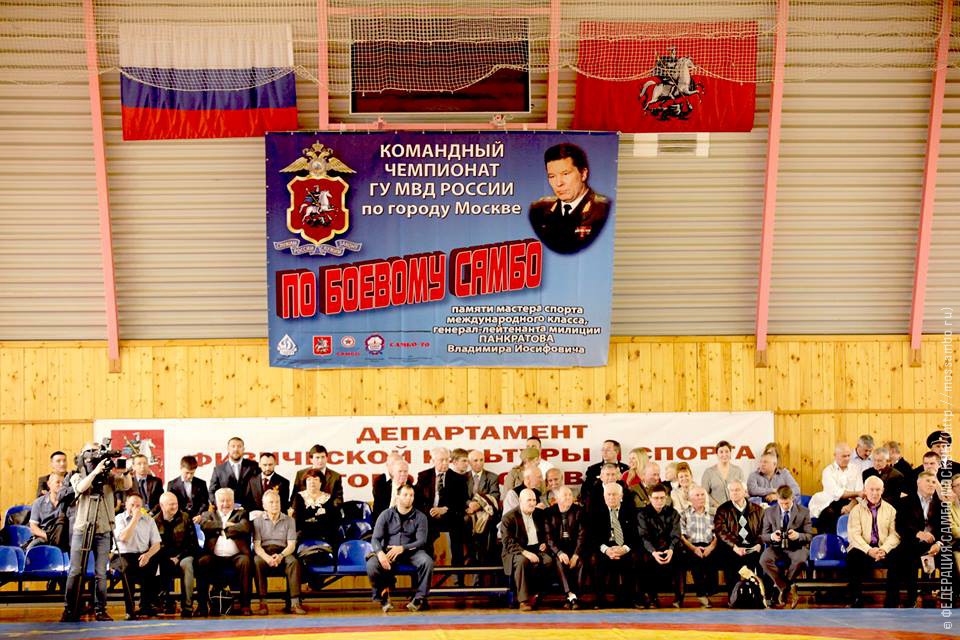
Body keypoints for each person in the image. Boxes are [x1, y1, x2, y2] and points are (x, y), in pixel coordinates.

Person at [61, 442, 133, 623]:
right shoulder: (77, 475)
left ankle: (101, 609)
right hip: (82, 529)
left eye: (97, 451)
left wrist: (125, 472)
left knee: (101, 572)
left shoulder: (109, 478)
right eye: (90, 451)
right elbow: (81, 488)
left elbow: (126, 486)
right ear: (83, 456)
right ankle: (70, 609)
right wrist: (94, 472)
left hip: (104, 530)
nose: (94, 454)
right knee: (75, 571)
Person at [528, 142, 611, 254]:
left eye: (565, 174)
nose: (559, 183)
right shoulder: (538, 211)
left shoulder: (601, 209)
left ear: (583, 174)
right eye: (552, 176)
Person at [366, 483, 433, 613]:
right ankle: (383, 596)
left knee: (427, 561)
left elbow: (421, 541)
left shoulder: (421, 517)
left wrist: (403, 548)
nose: (409, 498)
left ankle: (419, 598)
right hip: (389, 552)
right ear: (397, 497)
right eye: (405, 495)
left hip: (412, 553)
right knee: (372, 564)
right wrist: (380, 553)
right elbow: (375, 538)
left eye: (411, 495)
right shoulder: (385, 515)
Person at [892, 471, 947, 607]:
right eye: (927, 481)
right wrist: (918, 533)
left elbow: (945, 529)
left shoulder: (941, 504)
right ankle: (907, 599)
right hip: (912, 541)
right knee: (901, 556)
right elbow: (900, 526)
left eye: (933, 482)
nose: (931, 484)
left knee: (949, 556)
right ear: (918, 482)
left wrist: (938, 544)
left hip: (933, 544)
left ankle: (949, 598)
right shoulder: (905, 502)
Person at [196, 488, 253, 617]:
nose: (225, 504)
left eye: (228, 500)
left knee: (245, 561)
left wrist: (219, 529)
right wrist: (225, 525)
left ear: (233, 501)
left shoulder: (241, 513)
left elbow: (244, 527)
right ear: (216, 502)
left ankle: (245, 605)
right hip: (214, 556)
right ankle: (202, 606)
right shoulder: (207, 514)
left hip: (236, 557)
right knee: (202, 561)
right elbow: (205, 525)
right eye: (222, 501)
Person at [846, 476, 900, 608]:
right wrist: (869, 550)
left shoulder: (891, 510)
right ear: (865, 490)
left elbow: (895, 535)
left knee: (899, 557)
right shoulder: (856, 510)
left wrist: (884, 549)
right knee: (852, 557)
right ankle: (856, 599)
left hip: (883, 547)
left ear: (883, 490)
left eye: (878, 489)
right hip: (864, 548)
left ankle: (892, 601)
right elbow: (854, 536)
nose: (875, 493)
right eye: (871, 489)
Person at [758, 485, 812, 608]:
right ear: (777, 499)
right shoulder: (769, 512)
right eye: (781, 503)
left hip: (796, 547)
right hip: (776, 547)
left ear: (792, 498)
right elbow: (763, 536)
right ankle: (786, 587)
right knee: (764, 560)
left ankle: (782, 590)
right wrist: (772, 536)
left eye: (787, 503)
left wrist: (798, 535)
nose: (784, 506)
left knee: (800, 560)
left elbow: (809, 536)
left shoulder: (804, 511)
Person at [252, 491, 305, 615]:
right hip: (265, 552)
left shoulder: (290, 520)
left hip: (284, 551)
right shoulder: (257, 521)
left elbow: (291, 545)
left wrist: (280, 556)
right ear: (264, 506)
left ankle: (295, 603)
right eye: (271, 502)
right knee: (257, 561)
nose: (275, 505)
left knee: (293, 562)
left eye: (277, 502)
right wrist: (267, 558)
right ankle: (263, 603)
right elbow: (257, 546)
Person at [500, 488, 554, 611]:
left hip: (535, 548)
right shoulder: (509, 517)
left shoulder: (539, 514)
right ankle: (523, 600)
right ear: (520, 501)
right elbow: (508, 542)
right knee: (523, 561)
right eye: (529, 500)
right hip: (515, 551)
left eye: (534, 500)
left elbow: (546, 533)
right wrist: (525, 553)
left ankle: (537, 595)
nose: (532, 503)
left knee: (548, 561)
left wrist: (544, 543)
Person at [587, 482, 639, 608]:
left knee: (635, 559)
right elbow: (592, 536)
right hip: (605, 547)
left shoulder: (631, 511)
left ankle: (630, 598)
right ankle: (600, 599)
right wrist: (607, 550)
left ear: (621, 496)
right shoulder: (596, 512)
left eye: (614, 494)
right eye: (608, 495)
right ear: (604, 497)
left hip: (624, 546)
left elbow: (636, 535)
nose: (611, 497)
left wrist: (624, 549)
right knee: (596, 561)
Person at [416, 447, 468, 565]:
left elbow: (461, 502)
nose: (445, 463)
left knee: (458, 527)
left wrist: (445, 509)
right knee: (423, 530)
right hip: (429, 515)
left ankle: (458, 571)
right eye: (441, 460)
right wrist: (431, 511)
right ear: (433, 461)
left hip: (450, 515)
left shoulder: (458, 479)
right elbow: (418, 500)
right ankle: (427, 565)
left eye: (447, 460)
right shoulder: (424, 476)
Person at [114, 494, 162, 620]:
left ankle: (146, 605)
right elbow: (124, 537)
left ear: (142, 507)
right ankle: (130, 610)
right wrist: (135, 519)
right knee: (127, 568)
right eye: (132, 505)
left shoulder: (149, 520)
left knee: (154, 563)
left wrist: (148, 555)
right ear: (126, 505)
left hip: (142, 553)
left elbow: (156, 544)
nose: (135, 508)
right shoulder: (119, 518)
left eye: (138, 506)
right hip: (123, 554)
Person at [153, 491, 201, 618]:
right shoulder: (154, 521)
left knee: (187, 565)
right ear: (162, 506)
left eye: (176, 504)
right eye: (171, 504)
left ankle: (187, 606)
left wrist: (178, 557)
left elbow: (193, 545)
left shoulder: (186, 518)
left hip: (184, 555)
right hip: (164, 557)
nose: (175, 507)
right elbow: (154, 545)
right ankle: (165, 602)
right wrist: (167, 558)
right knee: (158, 564)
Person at [636, 484, 683, 608]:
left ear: (666, 498)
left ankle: (679, 597)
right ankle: (652, 598)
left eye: (662, 498)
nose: (659, 501)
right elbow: (643, 536)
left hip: (670, 548)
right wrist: (653, 552)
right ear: (650, 498)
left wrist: (671, 549)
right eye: (656, 498)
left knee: (680, 557)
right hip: (651, 549)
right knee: (644, 559)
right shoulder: (642, 514)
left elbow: (676, 535)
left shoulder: (673, 513)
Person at [713, 480, 763, 594]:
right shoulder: (723, 509)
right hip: (732, 547)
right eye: (731, 490)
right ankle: (733, 596)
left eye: (737, 490)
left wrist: (758, 544)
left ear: (745, 492)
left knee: (762, 559)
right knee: (730, 560)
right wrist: (735, 547)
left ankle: (759, 595)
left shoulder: (758, 509)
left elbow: (763, 530)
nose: (734, 493)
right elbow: (721, 531)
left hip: (752, 546)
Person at [545, 486, 586, 609]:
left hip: (574, 548)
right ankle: (571, 596)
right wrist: (559, 552)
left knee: (580, 562)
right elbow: (548, 537)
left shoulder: (579, 511)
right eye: (565, 495)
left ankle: (572, 597)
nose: (568, 497)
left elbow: (582, 535)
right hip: (557, 549)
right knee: (559, 562)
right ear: (557, 498)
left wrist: (576, 554)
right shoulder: (549, 512)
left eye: (570, 495)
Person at [809, 443, 863, 534]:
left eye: (848, 455)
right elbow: (836, 493)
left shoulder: (855, 469)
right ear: (835, 456)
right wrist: (857, 494)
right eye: (844, 456)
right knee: (828, 514)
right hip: (832, 501)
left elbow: (860, 492)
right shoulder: (828, 471)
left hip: (852, 502)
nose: (847, 458)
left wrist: (851, 505)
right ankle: (827, 541)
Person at [679, 485, 717, 608]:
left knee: (714, 560)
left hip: (709, 545)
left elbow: (717, 534)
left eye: (702, 495)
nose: (701, 497)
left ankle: (710, 591)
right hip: (691, 546)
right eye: (697, 495)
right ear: (690, 499)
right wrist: (694, 549)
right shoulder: (684, 514)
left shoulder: (712, 514)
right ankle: (701, 594)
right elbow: (682, 536)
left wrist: (710, 548)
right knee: (696, 562)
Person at [465, 449, 501, 565]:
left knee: (488, 523)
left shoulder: (492, 477)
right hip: (468, 511)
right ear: (469, 462)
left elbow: (495, 496)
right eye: (475, 460)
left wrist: (479, 504)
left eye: (481, 460)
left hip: (486, 512)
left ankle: (483, 559)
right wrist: (469, 504)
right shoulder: (463, 477)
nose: (479, 463)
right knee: (465, 520)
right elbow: (461, 496)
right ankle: (471, 555)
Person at [208, 437, 261, 510]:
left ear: (243, 449)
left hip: (250, 510)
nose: (236, 449)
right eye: (233, 446)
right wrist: (221, 505)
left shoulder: (254, 466)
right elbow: (212, 492)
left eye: (239, 446)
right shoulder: (219, 469)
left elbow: (259, 489)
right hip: (226, 511)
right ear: (228, 449)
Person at [291, 468, 340, 543]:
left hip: (324, 534)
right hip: (303, 534)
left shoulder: (328, 498)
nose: (312, 482)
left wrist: (309, 519)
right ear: (305, 482)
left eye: (315, 479)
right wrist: (318, 519)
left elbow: (331, 521)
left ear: (321, 482)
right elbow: (296, 519)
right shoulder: (298, 497)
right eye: (309, 479)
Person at [293, 445, 344, 513]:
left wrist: (328, 510)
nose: (320, 460)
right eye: (317, 457)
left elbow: (338, 499)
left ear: (327, 458)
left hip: (327, 514)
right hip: (304, 514)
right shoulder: (301, 474)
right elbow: (294, 497)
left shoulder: (336, 476)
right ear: (311, 459)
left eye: (323, 457)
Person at [700, 440, 744, 515]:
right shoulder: (709, 472)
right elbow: (704, 493)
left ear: (730, 453)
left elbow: (742, 491)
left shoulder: (738, 470)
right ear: (717, 454)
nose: (724, 454)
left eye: (727, 451)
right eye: (721, 452)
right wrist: (716, 505)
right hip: (716, 512)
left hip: (735, 512)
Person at [28, 474, 68, 550]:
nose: (61, 485)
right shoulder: (38, 502)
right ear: (49, 484)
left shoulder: (67, 502)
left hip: (62, 539)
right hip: (44, 537)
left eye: (63, 483)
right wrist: (47, 536)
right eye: (58, 482)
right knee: (30, 549)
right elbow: (33, 527)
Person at [167, 455, 210, 521]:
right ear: (181, 468)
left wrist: (199, 515)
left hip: (198, 518)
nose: (189, 476)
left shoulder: (201, 483)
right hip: (179, 518)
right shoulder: (172, 485)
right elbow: (171, 505)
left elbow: (204, 503)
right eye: (186, 473)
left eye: (192, 473)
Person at [372, 458, 413, 525]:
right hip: (385, 524)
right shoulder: (382, 489)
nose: (403, 474)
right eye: (400, 471)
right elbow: (377, 511)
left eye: (405, 471)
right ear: (393, 473)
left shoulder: (414, 489)